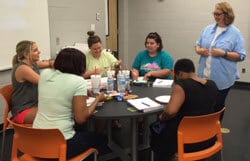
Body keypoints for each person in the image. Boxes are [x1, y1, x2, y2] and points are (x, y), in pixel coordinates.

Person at [33, 48, 108, 159]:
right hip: (61, 144)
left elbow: (60, 87)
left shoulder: (45, 74)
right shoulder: (78, 81)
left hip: (34, 140)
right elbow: (80, 118)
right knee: (102, 138)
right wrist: (98, 99)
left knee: (82, 129)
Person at [150, 58, 219, 161]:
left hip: (186, 141)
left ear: (180, 74)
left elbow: (170, 112)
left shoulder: (182, 86)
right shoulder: (212, 84)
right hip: (209, 137)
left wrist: (161, 117)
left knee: (155, 128)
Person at [195, 2, 246, 113]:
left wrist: (224, 53)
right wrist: (198, 50)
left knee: (216, 108)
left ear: (227, 15)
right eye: (214, 14)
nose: (215, 16)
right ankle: (201, 129)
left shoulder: (235, 33)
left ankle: (215, 130)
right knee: (202, 106)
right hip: (203, 76)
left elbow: (241, 56)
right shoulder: (208, 29)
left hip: (222, 79)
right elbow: (197, 44)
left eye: (218, 14)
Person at [11, 40, 53, 124]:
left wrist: (59, 63)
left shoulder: (33, 64)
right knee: (58, 113)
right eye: (35, 50)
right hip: (23, 110)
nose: (39, 52)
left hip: (34, 105)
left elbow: (50, 63)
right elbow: (45, 83)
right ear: (26, 54)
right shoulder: (22, 69)